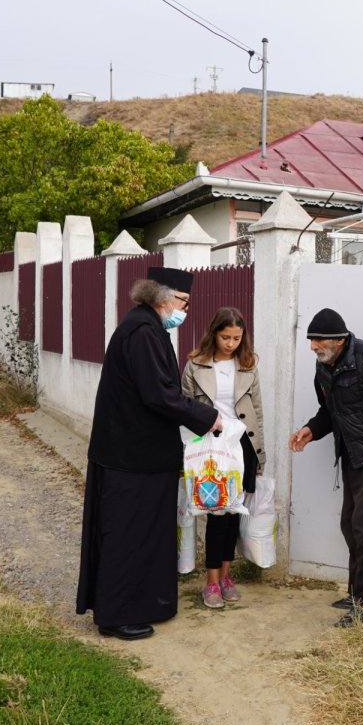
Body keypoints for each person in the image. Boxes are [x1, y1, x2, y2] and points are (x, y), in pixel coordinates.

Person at [76, 266, 221, 641]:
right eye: (184, 302)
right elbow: (159, 395)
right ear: (163, 297)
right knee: (127, 534)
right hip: (131, 456)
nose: (185, 311)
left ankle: (145, 604)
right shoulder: (142, 332)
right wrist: (208, 418)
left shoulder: (144, 327)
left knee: (146, 534)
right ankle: (116, 614)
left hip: (139, 454)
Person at [288, 308, 363, 628]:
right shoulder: (323, 368)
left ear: (339, 340)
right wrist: (311, 430)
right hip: (350, 454)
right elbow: (328, 412)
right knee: (349, 525)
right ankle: (357, 593)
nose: (313, 346)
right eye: (310, 340)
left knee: (362, 527)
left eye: (318, 340)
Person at [180, 307, 265, 609]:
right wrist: (186, 456)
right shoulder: (195, 364)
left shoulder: (249, 364)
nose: (231, 343)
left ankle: (227, 577)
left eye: (236, 338)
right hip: (210, 448)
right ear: (214, 333)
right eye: (225, 337)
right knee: (216, 513)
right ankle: (211, 582)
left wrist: (260, 455)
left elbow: (257, 411)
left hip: (241, 446)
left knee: (233, 514)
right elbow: (184, 408)